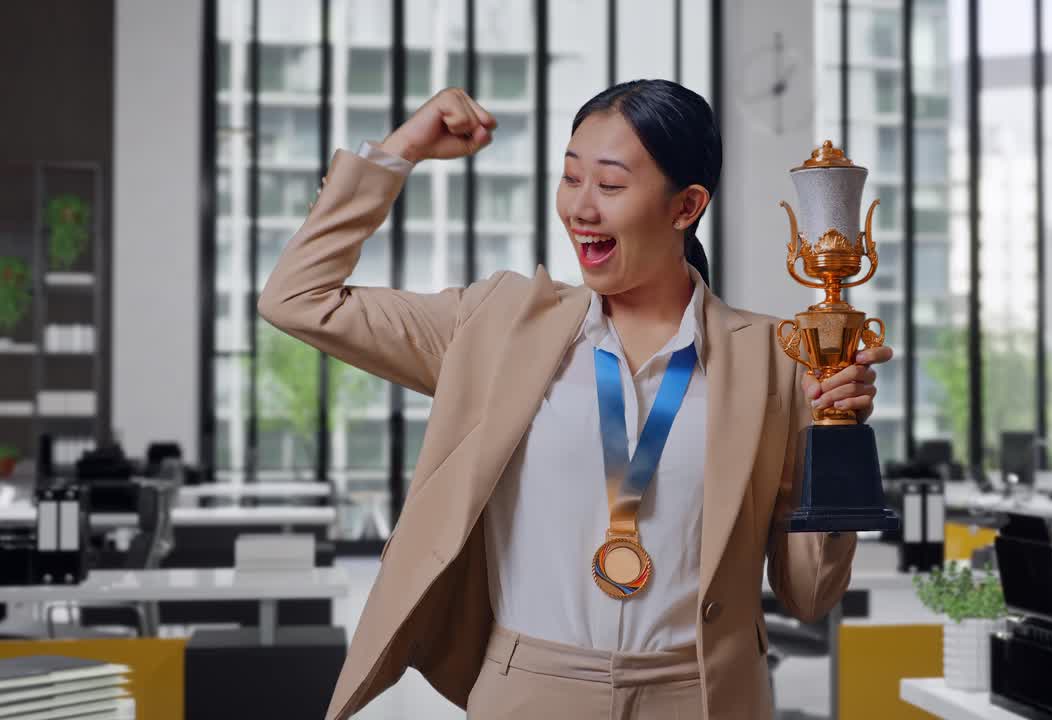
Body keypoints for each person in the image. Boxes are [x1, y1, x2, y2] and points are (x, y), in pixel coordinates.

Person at [258, 79, 892, 720]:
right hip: (530, 688)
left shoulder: (774, 360)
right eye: (570, 179)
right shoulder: (497, 326)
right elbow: (298, 299)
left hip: (702, 696)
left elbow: (810, 594)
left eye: (610, 186)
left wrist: (836, 434)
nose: (580, 209)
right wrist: (401, 149)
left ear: (686, 206)